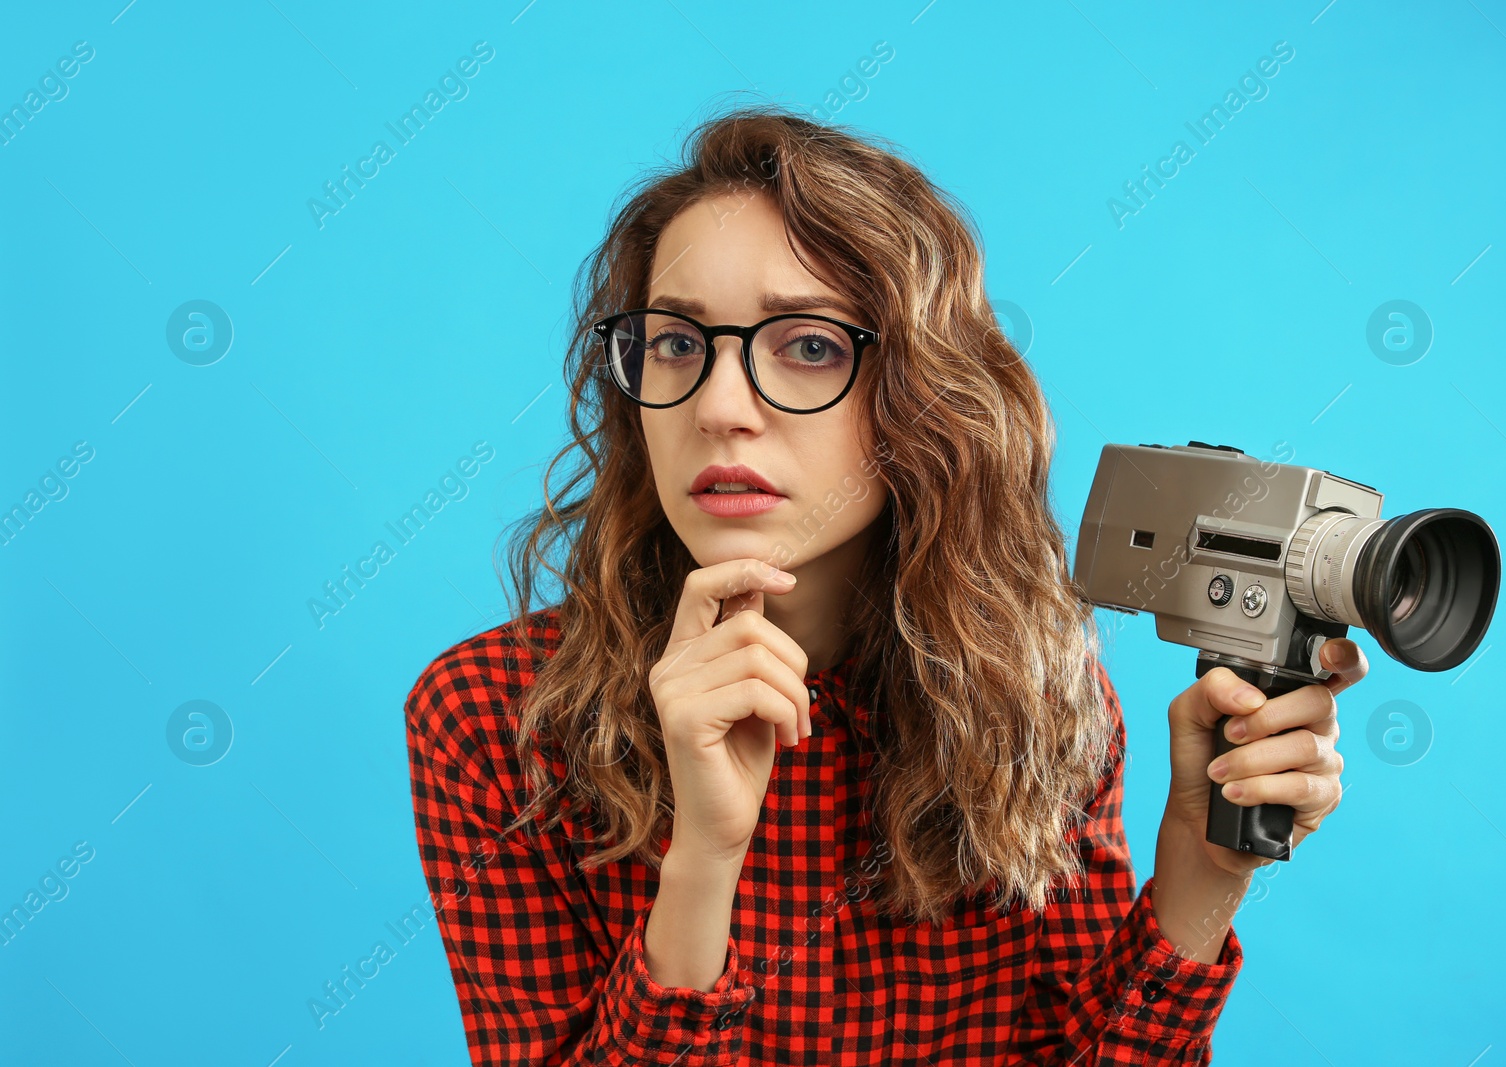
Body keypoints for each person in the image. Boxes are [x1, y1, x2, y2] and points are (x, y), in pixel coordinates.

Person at [404, 104, 1364, 1065]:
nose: (720, 407)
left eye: (809, 344)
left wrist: (1199, 875)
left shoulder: (1036, 698)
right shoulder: (493, 720)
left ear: (920, 396)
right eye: (677, 344)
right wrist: (701, 864)